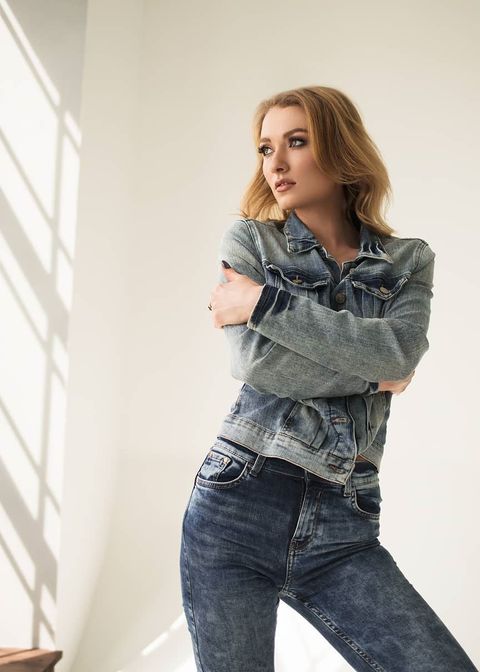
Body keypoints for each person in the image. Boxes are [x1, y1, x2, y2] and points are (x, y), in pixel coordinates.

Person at [179, 86, 478, 671]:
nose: (276, 163)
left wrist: (264, 304)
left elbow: (399, 353)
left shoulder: (407, 261)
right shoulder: (251, 242)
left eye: (296, 141)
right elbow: (257, 364)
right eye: (266, 148)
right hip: (237, 504)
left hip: (344, 518)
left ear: (340, 149)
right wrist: (372, 378)